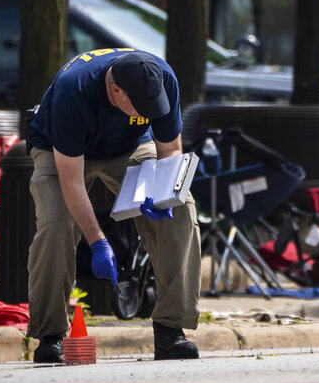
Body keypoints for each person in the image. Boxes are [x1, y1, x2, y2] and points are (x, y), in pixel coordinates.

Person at [25, 48, 201, 363]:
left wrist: (163, 191)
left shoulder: (162, 77)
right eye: (142, 107)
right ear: (116, 91)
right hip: (60, 150)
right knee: (55, 225)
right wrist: (99, 242)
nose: (150, 112)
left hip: (128, 146)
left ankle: (170, 330)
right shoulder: (73, 90)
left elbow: (171, 149)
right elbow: (72, 183)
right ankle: (50, 335)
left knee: (183, 208)